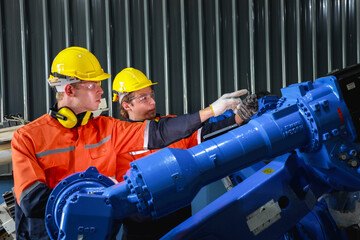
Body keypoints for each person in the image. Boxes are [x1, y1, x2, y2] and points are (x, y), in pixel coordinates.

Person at [11, 47, 247, 240]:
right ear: (70, 89)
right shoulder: (28, 137)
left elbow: (159, 133)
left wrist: (211, 111)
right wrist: (102, 196)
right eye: (94, 85)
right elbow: (33, 202)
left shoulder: (106, 128)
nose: (101, 90)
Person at [112, 67, 259, 240]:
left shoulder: (172, 127)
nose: (152, 102)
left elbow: (206, 133)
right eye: (144, 98)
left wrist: (239, 118)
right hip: (141, 232)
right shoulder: (118, 139)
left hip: (181, 226)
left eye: (151, 95)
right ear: (126, 104)